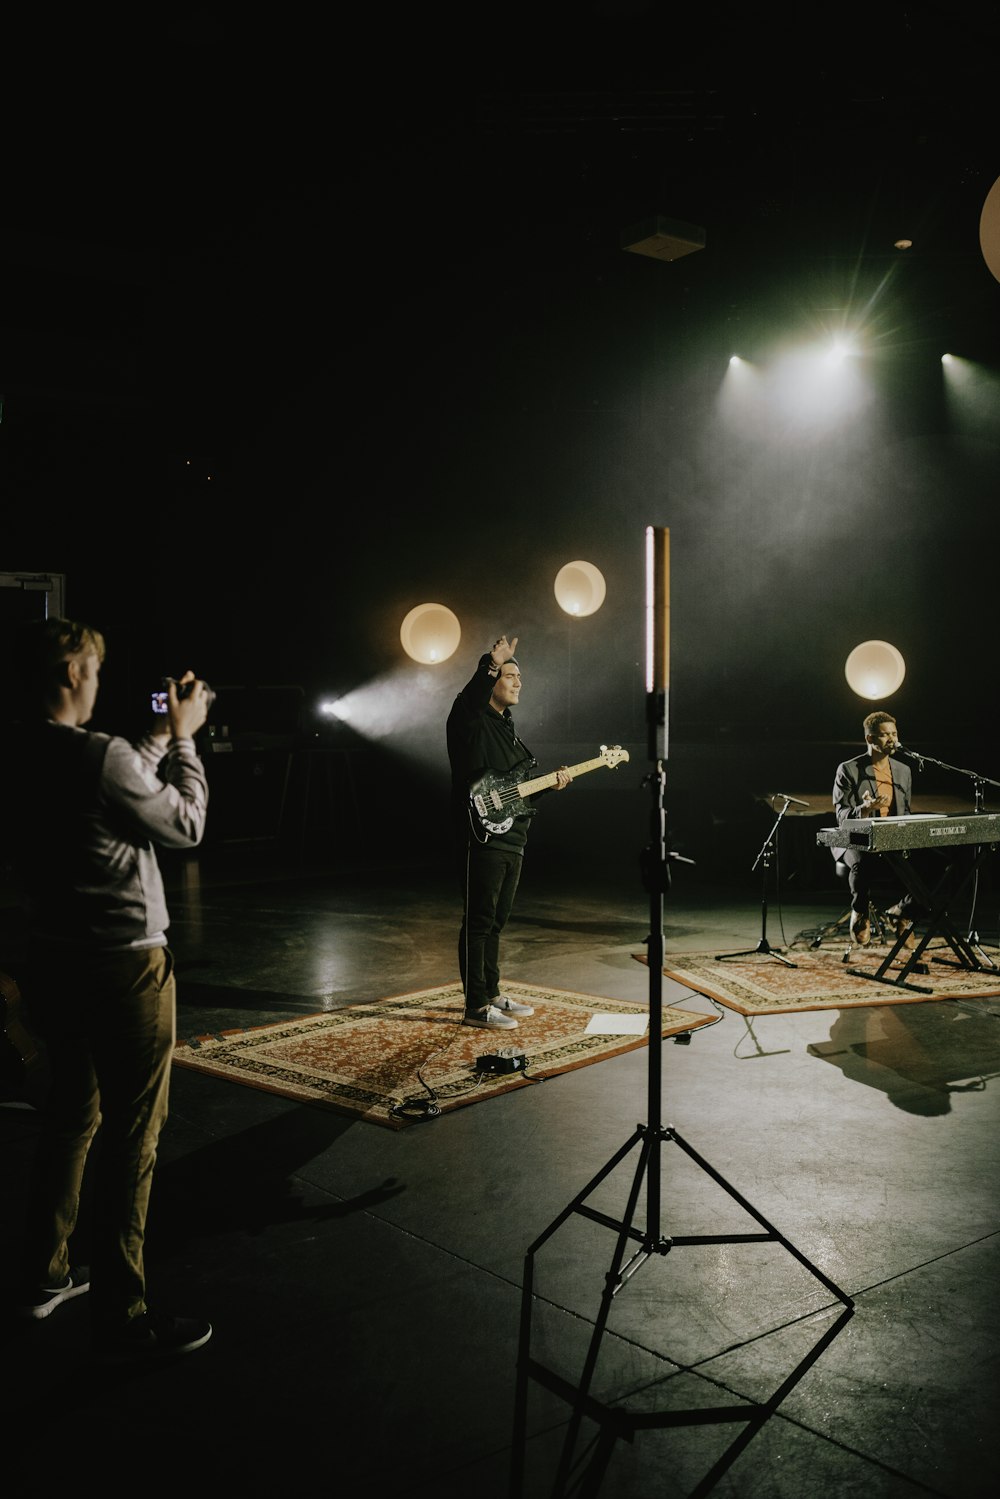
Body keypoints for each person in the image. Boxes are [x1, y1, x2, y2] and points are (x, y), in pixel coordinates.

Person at [2, 616, 213, 1360]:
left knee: (70, 1119)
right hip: (124, 966)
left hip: (54, 961)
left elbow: (112, 787)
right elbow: (184, 822)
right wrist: (185, 738)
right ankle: (124, 1316)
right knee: (133, 1137)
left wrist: (154, 738)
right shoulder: (101, 756)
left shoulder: (21, 750)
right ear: (69, 671)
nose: (98, 683)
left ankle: (45, 1272)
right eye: (91, 670)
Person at [446, 633, 570, 1030]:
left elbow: (513, 794)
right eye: (510, 675)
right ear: (492, 680)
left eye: (519, 677)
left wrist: (548, 788)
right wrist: (491, 660)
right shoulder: (472, 721)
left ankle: (491, 991)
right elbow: (466, 703)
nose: (518, 682)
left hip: (513, 837)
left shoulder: (508, 731)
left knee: (496, 921)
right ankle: (475, 1007)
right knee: (479, 920)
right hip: (480, 837)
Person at [831, 709, 919, 947]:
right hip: (854, 837)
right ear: (870, 738)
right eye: (884, 735)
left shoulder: (904, 770)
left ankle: (902, 911)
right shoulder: (849, 770)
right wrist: (865, 809)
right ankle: (860, 911)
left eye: (894, 733)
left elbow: (906, 811)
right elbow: (841, 816)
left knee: (941, 863)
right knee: (863, 860)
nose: (892, 739)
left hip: (891, 838)